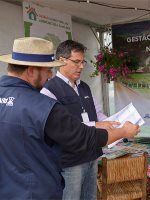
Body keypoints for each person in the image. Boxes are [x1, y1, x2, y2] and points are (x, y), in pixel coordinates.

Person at [0, 37, 140, 200]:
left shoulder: (80, 88)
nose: (50, 75)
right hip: (38, 189)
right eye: (47, 70)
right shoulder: (42, 104)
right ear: (31, 70)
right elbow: (82, 136)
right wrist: (123, 131)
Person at [40, 40, 116, 200]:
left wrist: (114, 124)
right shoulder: (49, 91)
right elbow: (63, 129)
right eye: (76, 62)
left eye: (83, 62)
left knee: (90, 197)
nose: (81, 66)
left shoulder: (84, 87)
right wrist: (97, 125)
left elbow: (98, 113)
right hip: (70, 162)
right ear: (61, 60)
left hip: (92, 154)